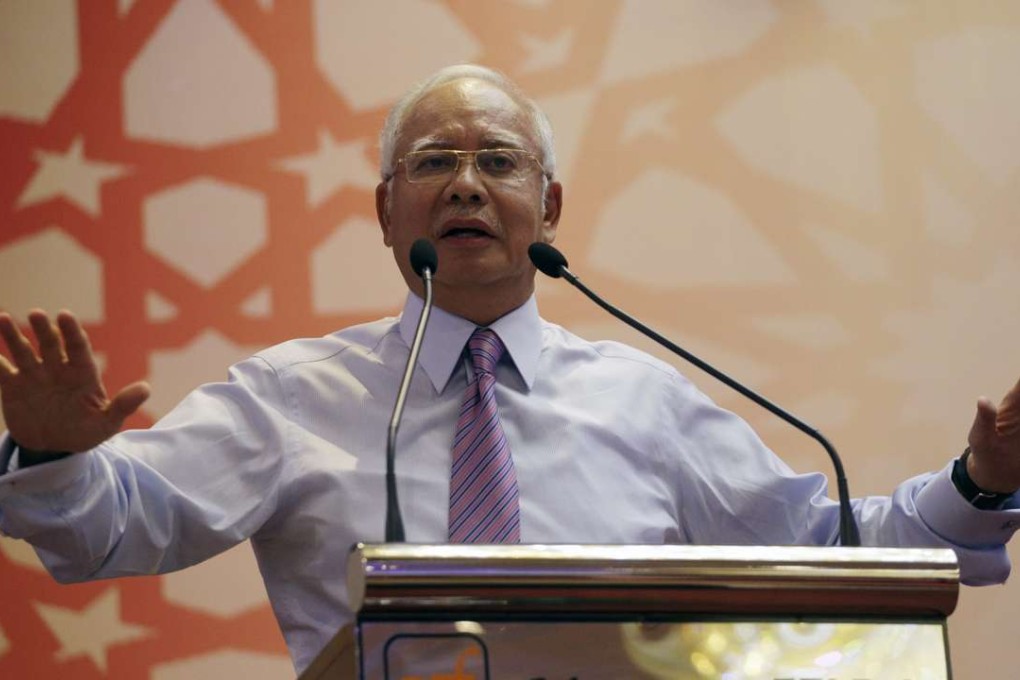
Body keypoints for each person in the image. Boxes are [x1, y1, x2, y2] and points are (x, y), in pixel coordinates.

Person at [1, 64, 1019, 674]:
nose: (466, 186)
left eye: (497, 160)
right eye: (433, 162)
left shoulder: (644, 401)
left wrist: (978, 485)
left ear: (550, 206)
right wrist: (51, 454)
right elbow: (113, 524)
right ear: (386, 211)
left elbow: (832, 552)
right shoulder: (291, 396)